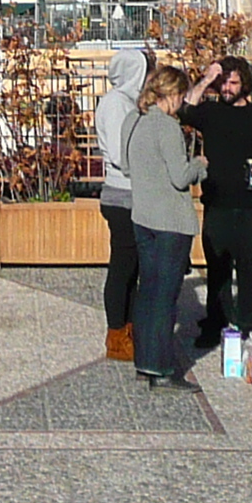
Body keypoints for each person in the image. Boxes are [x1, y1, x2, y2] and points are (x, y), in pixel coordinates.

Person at [180, 55, 252, 352]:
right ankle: (217, 324)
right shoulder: (211, 112)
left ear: (245, 84)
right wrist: (205, 78)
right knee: (218, 269)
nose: (227, 88)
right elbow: (185, 109)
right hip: (217, 203)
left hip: (251, 205)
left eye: (233, 82)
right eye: (223, 82)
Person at [125, 63, 206, 389]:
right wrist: (199, 164)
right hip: (171, 222)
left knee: (147, 292)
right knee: (165, 298)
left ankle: (144, 362)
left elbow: (125, 163)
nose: (183, 103)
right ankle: (162, 366)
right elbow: (179, 177)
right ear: (171, 95)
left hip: (142, 217)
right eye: (182, 96)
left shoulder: (134, 121)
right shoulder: (168, 128)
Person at [93, 47, 152, 362]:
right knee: (122, 268)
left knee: (132, 269)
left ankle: (129, 329)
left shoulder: (129, 103)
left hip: (134, 195)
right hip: (122, 196)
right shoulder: (116, 104)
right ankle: (117, 335)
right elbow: (120, 154)